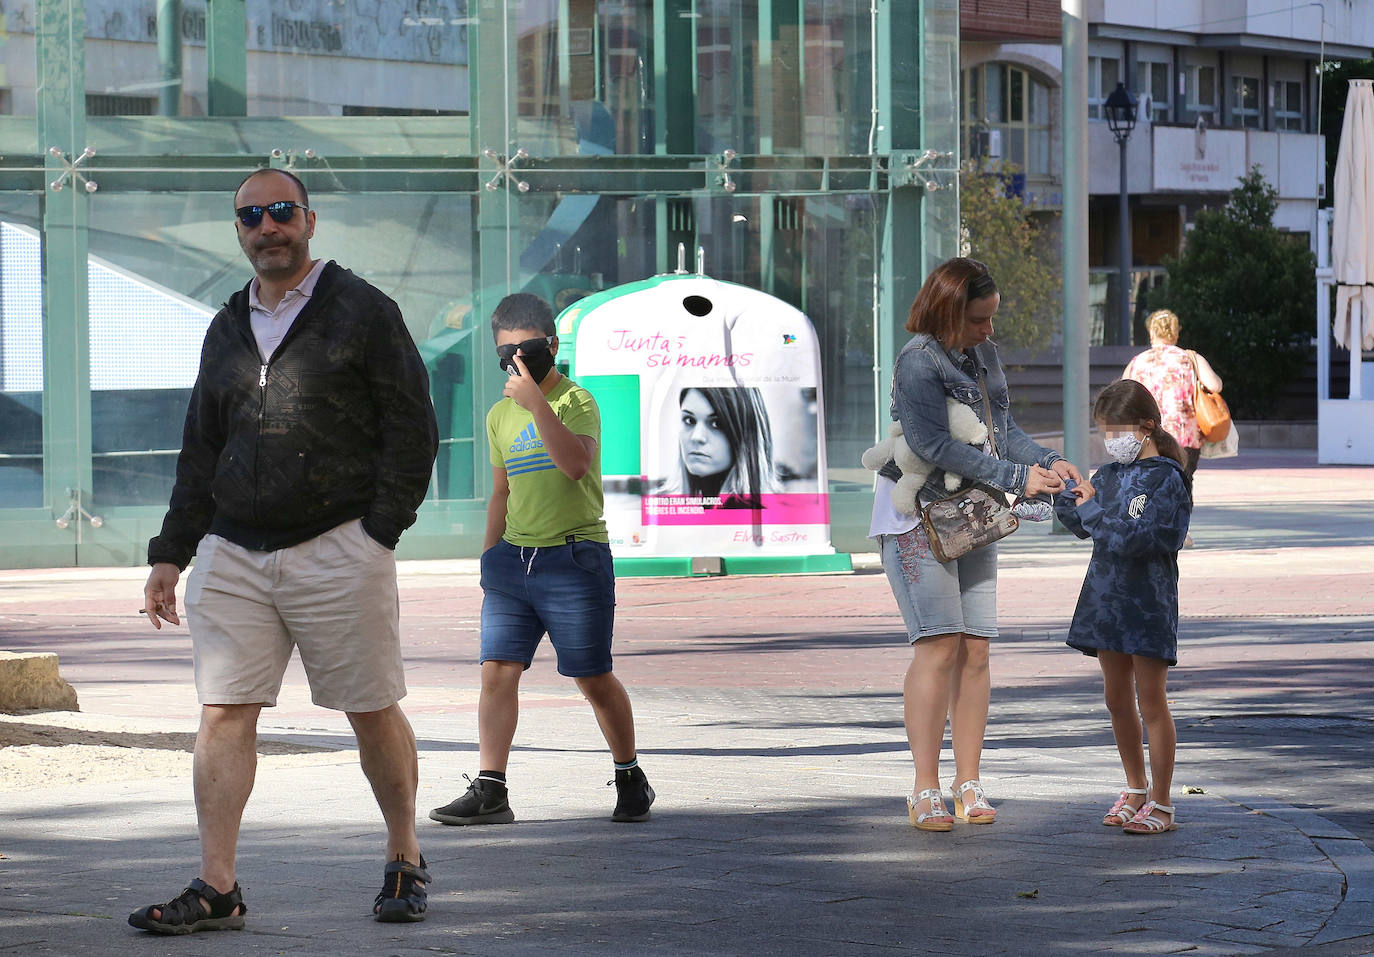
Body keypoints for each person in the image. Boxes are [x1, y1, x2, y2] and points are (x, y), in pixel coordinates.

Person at [129, 168, 440, 933]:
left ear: (308, 219)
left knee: (370, 708)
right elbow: (202, 443)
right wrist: (172, 550)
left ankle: (405, 855)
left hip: (339, 542)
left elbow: (412, 426)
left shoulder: (363, 309)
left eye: (280, 212)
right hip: (234, 549)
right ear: (238, 229)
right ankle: (218, 885)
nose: (267, 227)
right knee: (223, 712)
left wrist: (379, 531)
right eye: (251, 216)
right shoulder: (228, 323)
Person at [868, 257, 1082, 832]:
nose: (991, 331)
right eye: (980, 320)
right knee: (938, 645)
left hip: (976, 513)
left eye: (992, 319)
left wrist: (1050, 461)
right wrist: (1018, 479)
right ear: (948, 311)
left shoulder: (981, 354)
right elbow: (932, 443)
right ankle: (924, 787)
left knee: (977, 647)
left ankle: (969, 780)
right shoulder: (918, 361)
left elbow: (1001, 432)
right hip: (920, 516)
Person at [429, 293, 654, 828]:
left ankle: (629, 774)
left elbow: (575, 465)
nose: (517, 362)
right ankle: (491, 788)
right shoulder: (497, 415)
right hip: (513, 561)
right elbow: (501, 492)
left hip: (574, 559)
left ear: (550, 346)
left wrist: (537, 404)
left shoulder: (577, 401)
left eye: (527, 350)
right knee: (496, 672)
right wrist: (489, 557)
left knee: (592, 676)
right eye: (506, 353)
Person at [1053, 379, 1192, 836]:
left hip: (1147, 603)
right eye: (1104, 432)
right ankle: (1135, 787)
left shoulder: (1168, 478)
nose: (1111, 440)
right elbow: (1083, 526)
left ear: (1147, 426)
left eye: (1117, 430)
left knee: (1151, 701)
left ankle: (1162, 801)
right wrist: (1064, 494)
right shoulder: (1109, 475)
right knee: (1116, 700)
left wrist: (1092, 511)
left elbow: (1137, 539)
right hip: (1105, 601)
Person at [1122, 309, 1223, 492]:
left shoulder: (1137, 362)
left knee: (1147, 489)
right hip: (1183, 438)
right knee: (1182, 487)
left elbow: (1122, 393)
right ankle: (1179, 519)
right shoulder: (1190, 358)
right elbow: (1215, 386)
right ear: (1175, 332)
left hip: (1147, 437)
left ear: (1152, 332)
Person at [657, 386, 779, 502]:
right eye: (690, 420)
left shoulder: (769, 515)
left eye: (717, 423)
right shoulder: (660, 504)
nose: (696, 437)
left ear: (746, 434)